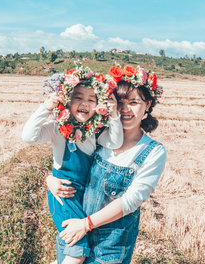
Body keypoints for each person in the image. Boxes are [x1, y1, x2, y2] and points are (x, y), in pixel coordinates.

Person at [47, 64, 166, 263]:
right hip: (75, 234)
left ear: (148, 104)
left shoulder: (153, 151)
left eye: (134, 102)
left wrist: (86, 224)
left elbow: (131, 201)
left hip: (109, 247)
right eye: (120, 102)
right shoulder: (97, 136)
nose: (125, 109)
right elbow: (71, 165)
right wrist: (50, 180)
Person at [22, 61, 123, 264]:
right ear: (67, 101)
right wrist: (46, 107)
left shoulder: (95, 133)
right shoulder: (57, 129)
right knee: (77, 251)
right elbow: (28, 137)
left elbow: (115, 141)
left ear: (98, 105)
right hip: (64, 195)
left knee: (75, 249)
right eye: (78, 98)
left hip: (83, 197)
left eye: (91, 100)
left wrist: (113, 114)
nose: (84, 103)